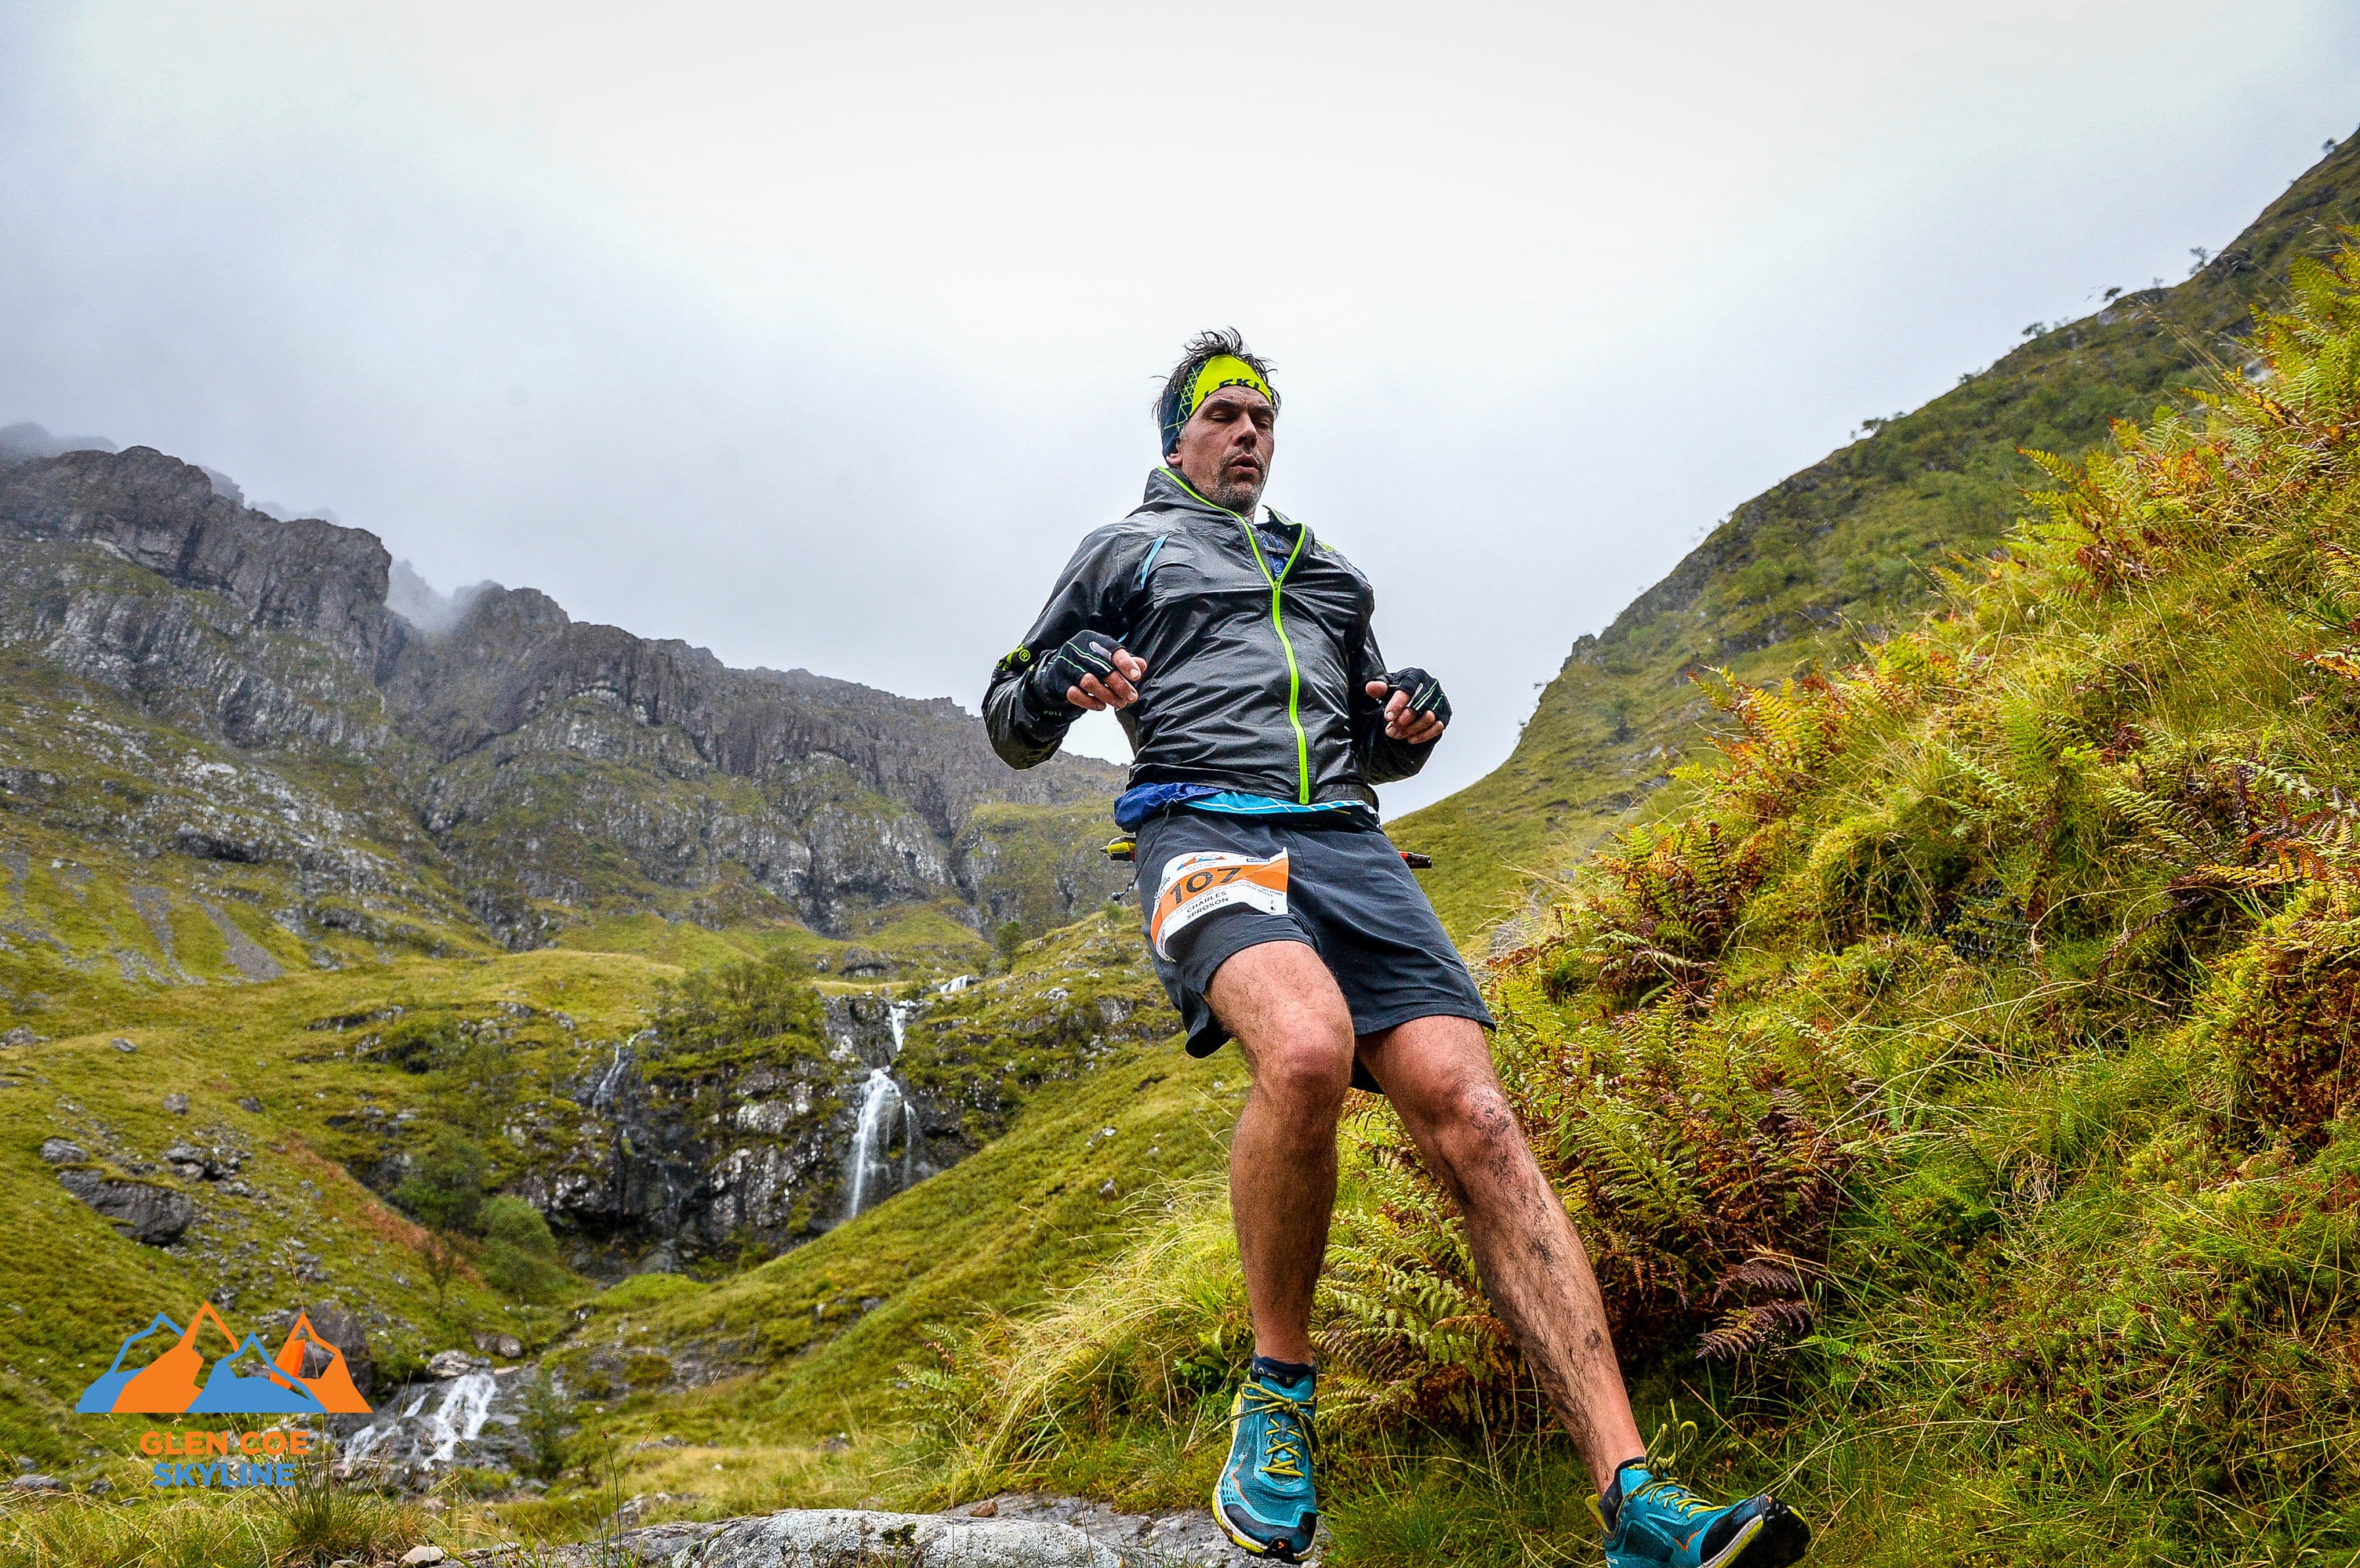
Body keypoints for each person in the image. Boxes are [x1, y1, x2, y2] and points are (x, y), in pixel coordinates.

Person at [983, 331, 1810, 1568]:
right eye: (1222, 414)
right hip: (1201, 824)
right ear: (1176, 440)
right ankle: (1277, 1396)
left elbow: (1369, 740)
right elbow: (1009, 721)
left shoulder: (1330, 577)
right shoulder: (1124, 547)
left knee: (1472, 1114)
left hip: (1351, 850)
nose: (1248, 431)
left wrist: (1407, 721)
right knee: (1307, 1051)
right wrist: (1060, 677)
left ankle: (1634, 1499)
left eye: (1264, 415)